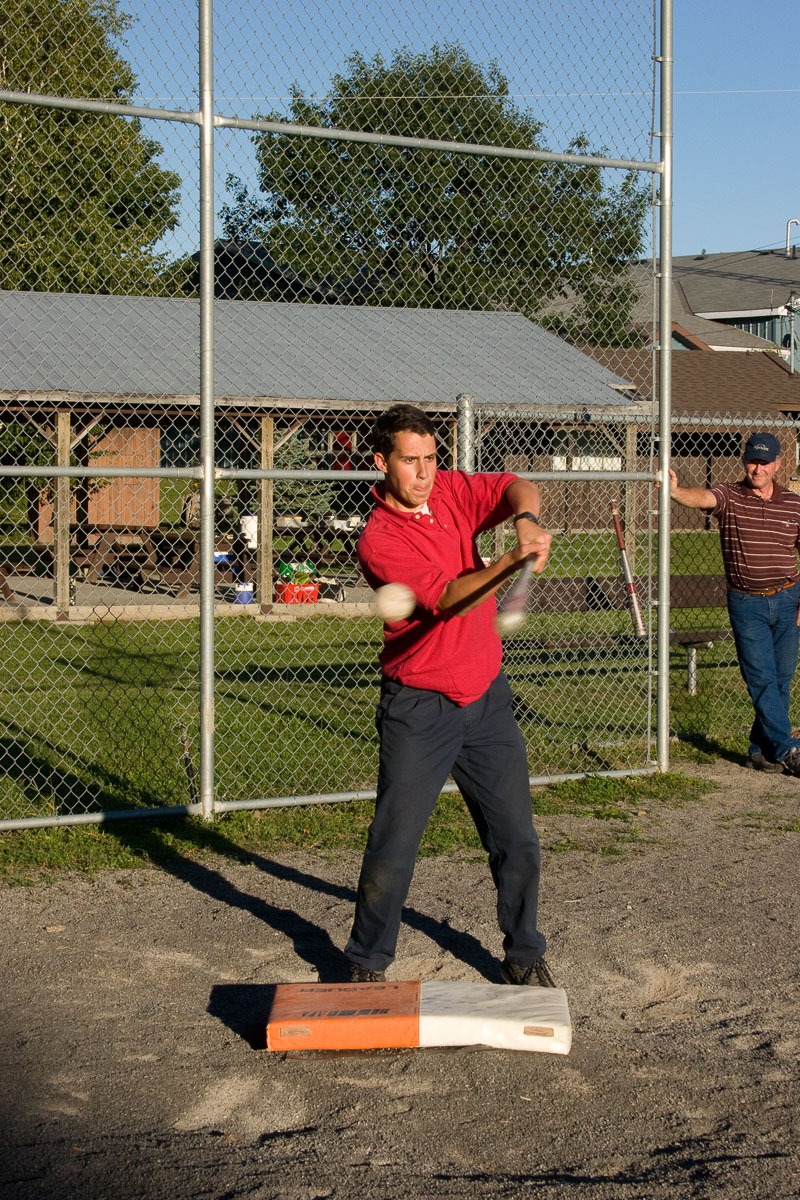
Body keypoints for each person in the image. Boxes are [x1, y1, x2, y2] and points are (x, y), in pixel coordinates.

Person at [344, 404, 556, 987]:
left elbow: (515, 483)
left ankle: (523, 952)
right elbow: (449, 600)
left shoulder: (453, 492)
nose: (423, 472)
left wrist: (526, 520)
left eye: (431, 458)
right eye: (409, 461)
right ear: (382, 462)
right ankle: (366, 962)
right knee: (395, 843)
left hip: (485, 696)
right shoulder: (380, 540)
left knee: (516, 837)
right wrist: (511, 560)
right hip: (420, 707)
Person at [667, 431, 800, 775]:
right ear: (744, 462)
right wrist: (675, 491)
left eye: (764, 462)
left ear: (778, 464)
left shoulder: (793, 503)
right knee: (761, 678)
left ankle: (762, 751)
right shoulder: (731, 494)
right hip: (747, 603)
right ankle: (788, 749)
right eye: (752, 461)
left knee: (782, 677)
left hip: (788, 598)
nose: (757, 469)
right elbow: (703, 498)